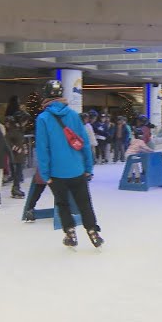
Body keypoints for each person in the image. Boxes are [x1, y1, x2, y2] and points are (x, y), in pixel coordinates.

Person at [36, 80, 104, 249]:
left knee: (62, 203)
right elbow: (85, 143)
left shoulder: (43, 118)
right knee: (84, 202)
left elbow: (42, 149)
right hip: (77, 169)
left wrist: (45, 174)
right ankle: (93, 233)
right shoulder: (74, 115)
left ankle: (70, 233)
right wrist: (88, 167)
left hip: (56, 172)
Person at [5, 111, 30, 199]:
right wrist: (16, 149)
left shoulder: (19, 129)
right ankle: (15, 189)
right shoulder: (13, 130)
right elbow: (7, 140)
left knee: (19, 173)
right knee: (17, 173)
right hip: (16, 156)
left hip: (20, 156)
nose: (26, 123)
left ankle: (16, 188)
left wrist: (24, 149)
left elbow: (21, 141)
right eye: (25, 121)